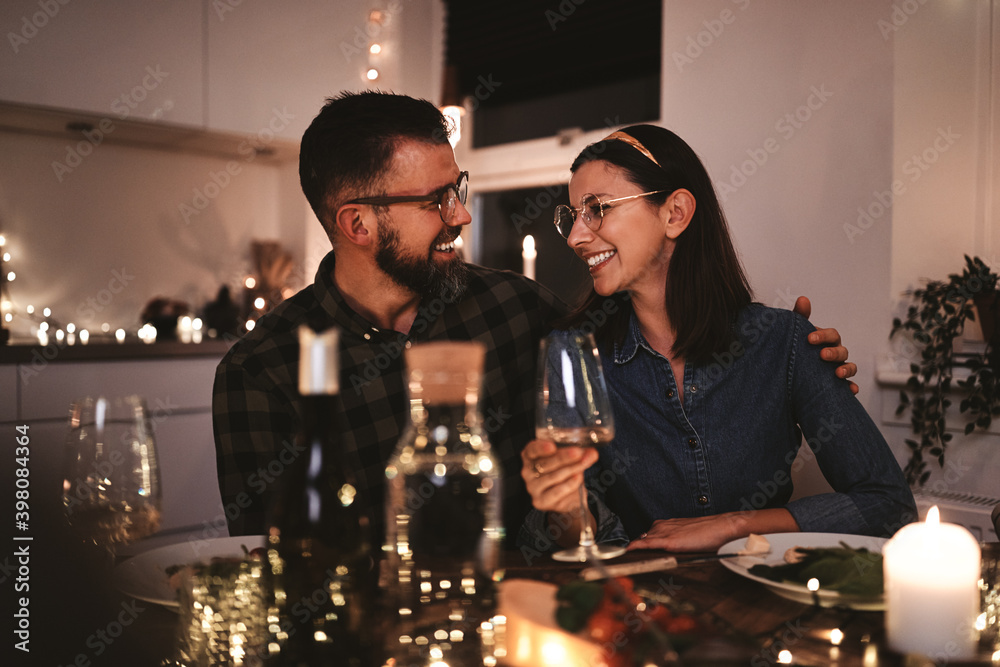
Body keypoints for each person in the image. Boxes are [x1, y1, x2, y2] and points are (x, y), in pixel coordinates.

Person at [213, 92, 857, 548]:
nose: (461, 215)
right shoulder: (261, 372)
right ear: (358, 223)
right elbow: (274, 567)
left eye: (457, 188)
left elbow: (656, 329)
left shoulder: (518, 309)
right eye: (438, 200)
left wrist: (784, 355)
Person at [519, 125, 916, 555]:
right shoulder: (577, 356)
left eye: (596, 208)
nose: (577, 236)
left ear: (675, 213)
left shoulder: (784, 343)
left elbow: (888, 507)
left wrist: (734, 526)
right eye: (573, 215)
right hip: (637, 611)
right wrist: (565, 509)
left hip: (760, 602)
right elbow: (574, 543)